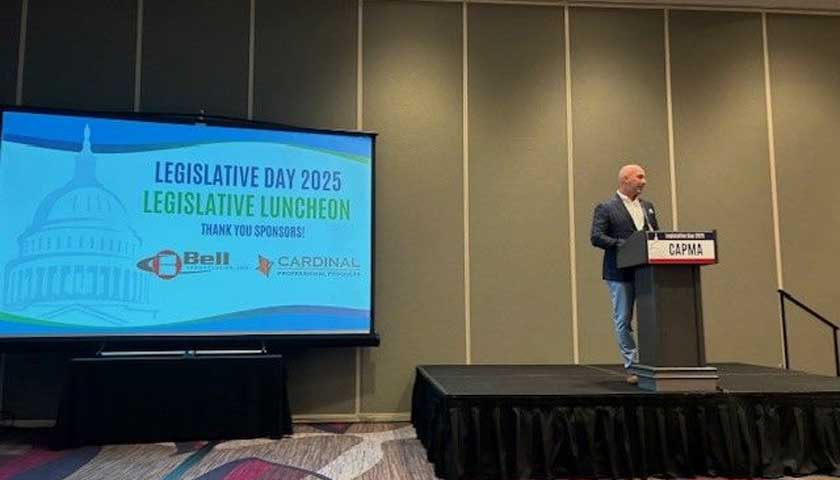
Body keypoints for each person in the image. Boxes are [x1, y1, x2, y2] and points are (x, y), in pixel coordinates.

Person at [590, 164, 659, 385]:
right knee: (624, 319)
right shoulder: (606, 208)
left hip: (646, 271)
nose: (644, 181)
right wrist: (624, 244)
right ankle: (633, 366)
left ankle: (652, 363)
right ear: (625, 179)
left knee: (652, 318)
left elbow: (655, 236)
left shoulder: (648, 207)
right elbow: (596, 237)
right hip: (619, 272)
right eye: (640, 177)